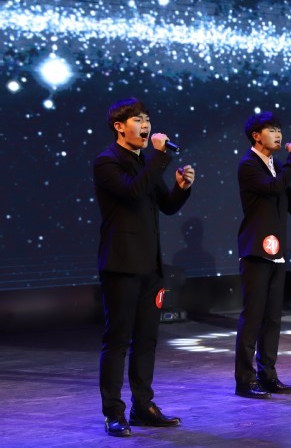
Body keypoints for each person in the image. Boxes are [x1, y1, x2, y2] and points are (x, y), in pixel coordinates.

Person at [93, 97, 195, 436]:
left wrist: (182, 188)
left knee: (147, 339)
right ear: (119, 127)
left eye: (147, 119)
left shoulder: (145, 162)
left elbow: (166, 205)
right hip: (121, 264)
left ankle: (143, 406)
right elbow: (133, 192)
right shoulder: (107, 162)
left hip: (151, 266)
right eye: (138, 120)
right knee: (118, 340)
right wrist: (160, 157)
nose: (146, 125)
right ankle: (113, 412)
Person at [234, 111, 291, 398]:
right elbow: (274, 187)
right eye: (272, 130)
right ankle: (245, 380)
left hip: (277, 250)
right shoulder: (248, 164)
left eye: (279, 129)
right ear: (256, 136)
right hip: (256, 250)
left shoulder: (275, 165)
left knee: (273, 319)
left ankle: (268, 375)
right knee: (252, 318)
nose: (278, 135)